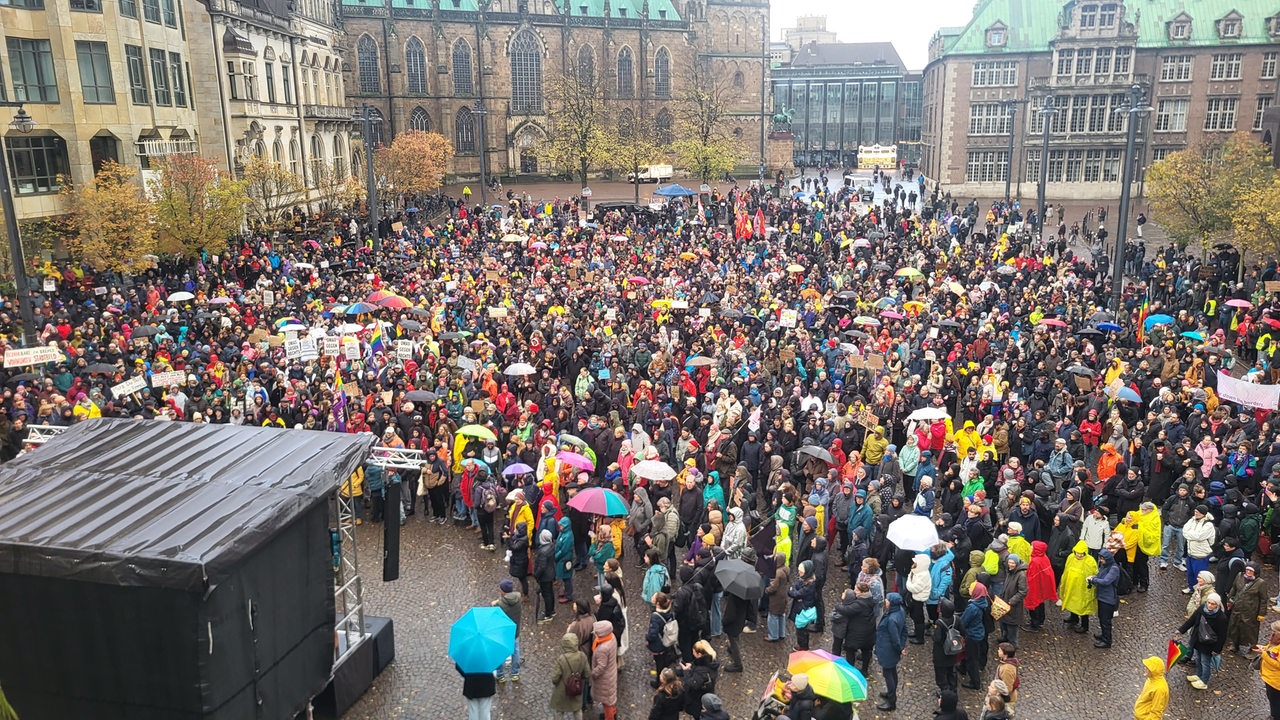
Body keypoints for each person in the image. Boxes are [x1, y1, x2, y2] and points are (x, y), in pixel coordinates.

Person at [1177, 593, 1228, 690]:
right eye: (1208, 603)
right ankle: (1198, 675)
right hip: (1198, 640)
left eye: (1213, 604)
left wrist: (1217, 649)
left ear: (1217, 604)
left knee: (1205, 662)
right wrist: (1181, 630)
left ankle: (1204, 681)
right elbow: (1191, 620)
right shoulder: (1201, 609)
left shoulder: (1221, 618)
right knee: (1198, 659)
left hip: (1209, 645)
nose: (1209, 605)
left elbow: (1222, 636)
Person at [874, 592, 908, 712]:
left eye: (887, 600)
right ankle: (890, 693)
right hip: (890, 650)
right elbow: (904, 629)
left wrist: (899, 647)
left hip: (888, 650)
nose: (885, 601)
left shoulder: (892, 619)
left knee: (888, 674)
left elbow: (895, 639)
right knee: (892, 672)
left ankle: (891, 701)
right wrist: (902, 646)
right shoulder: (900, 611)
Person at [1227, 562, 1268, 656]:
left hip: (1251, 611)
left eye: (1251, 570)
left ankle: (1253, 649)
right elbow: (1233, 588)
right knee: (1234, 626)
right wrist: (1229, 600)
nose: (1248, 572)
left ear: (1255, 572)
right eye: (1247, 570)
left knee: (1251, 631)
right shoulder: (1239, 576)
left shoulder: (1261, 583)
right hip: (1237, 607)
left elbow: (1264, 599)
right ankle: (1235, 644)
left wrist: (1261, 613)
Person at [675, 640, 720, 720]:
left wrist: (686, 671)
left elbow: (692, 684)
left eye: (694, 652)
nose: (692, 654)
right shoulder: (711, 662)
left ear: (699, 654)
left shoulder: (702, 670)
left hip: (698, 700)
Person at [1060, 541, 1098, 634]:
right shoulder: (1070, 558)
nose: (1080, 555)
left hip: (1083, 588)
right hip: (1072, 586)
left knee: (1083, 607)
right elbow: (1066, 570)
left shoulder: (1090, 561)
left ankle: (1085, 625)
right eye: (1078, 553)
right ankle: (1073, 618)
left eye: (1082, 553)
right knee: (1072, 602)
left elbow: (1093, 574)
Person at [1088, 549, 1120, 648]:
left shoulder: (1114, 569)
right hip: (1102, 597)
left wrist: (1093, 579)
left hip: (1108, 599)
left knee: (1106, 620)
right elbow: (1099, 576)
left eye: (1103, 559)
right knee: (1102, 618)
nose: (1101, 560)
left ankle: (1107, 640)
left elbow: (1106, 581)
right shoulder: (1104, 566)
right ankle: (1104, 635)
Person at [960, 582, 990, 689]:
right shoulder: (982, 602)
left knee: (972, 659)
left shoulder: (973, 607)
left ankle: (975, 682)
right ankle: (962, 668)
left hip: (972, 635)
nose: (969, 590)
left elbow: (964, 621)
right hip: (979, 632)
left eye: (972, 589)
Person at [1023, 540, 1057, 632]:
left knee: (1034, 603)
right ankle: (1040, 621)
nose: (1030, 548)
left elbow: (1031, 577)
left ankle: (1034, 624)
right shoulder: (1044, 557)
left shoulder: (1035, 561)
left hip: (1035, 587)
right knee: (1040, 603)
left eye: (1032, 547)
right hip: (1041, 586)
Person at [493, 579, 522, 683]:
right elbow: (506, 600)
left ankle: (500, 675)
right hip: (515, 631)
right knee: (515, 651)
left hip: (502, 633)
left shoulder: (500, 605)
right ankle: (515, 673)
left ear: (503, 591)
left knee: (499, 652)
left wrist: (495, 603)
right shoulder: (518, 599)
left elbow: (496, 613)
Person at [647, 592, 679, 685]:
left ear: (657, 603)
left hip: (659, 644)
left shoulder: (655, 616)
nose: (652, 596)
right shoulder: (670, 611)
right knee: (664, 660)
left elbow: (652, 634)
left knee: (659, 664)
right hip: (667, 640)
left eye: (654, 596)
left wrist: (647, 638)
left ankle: (659, 682)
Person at [589, 620, 618, 720]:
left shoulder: (603, 648)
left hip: (605, 679)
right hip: (611, 673)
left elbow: (601, 667)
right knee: (611, 699)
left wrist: (592, 673)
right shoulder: (612, 637)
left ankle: (609, 717)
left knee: (607, 703)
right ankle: (613, 713)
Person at [997, 555, 1027, 648]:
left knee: (1012, 627)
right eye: (1009, 562)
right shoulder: (1009, 571)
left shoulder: (1021, 575)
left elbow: (1023, 591)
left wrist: (1012, 601)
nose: (1011, 564)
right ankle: (1005, 638)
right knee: (1004, 623)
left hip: (1013, 606)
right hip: (1005, 603)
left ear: (1017, 563)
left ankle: (1012, 645)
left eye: (1013, 563)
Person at [1253, 620, 1280, 719]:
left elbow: (1277, 664)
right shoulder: (1276, 640)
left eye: (1273, 630)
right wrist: (1263, 648)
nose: (1271, 632)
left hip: (1276, 682)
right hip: (1270, 678)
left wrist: (1263, 654)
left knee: (1275, 702)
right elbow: (1272, 650)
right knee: (1272, 700)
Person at [790, 559, 818, 650]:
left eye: (801, 572)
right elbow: (796, 588)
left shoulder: (809, 586)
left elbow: (795, 593)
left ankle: (803, 647)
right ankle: (802, 645)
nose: (799, 573)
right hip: (802, 608)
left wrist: (792, 590)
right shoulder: (807, 580)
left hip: (803, 610)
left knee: (801, 630)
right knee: (802, 630)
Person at [1133, 656, 1169, 720]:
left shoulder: (1159, 689)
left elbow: (1156, 713)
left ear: (1153, 670)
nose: (1145, 668)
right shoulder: (1151, 679)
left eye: (1147, 667)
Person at [534, 528, 558, 623]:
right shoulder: (551, 546)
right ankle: (551, 610)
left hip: (545, 576)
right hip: (551, 573)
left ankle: (548, 614)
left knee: (547, 594)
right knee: (550, 593)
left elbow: (542, 567)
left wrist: (536, 575)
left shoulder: (543, 551)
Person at [994, 643, 1019, 715]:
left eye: (1000, 650)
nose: (998, 651)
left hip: (1005, 700)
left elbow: (1007, 688)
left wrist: (997, 695)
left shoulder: (1007, 669)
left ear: (1005, 654)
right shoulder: (1007, 663)